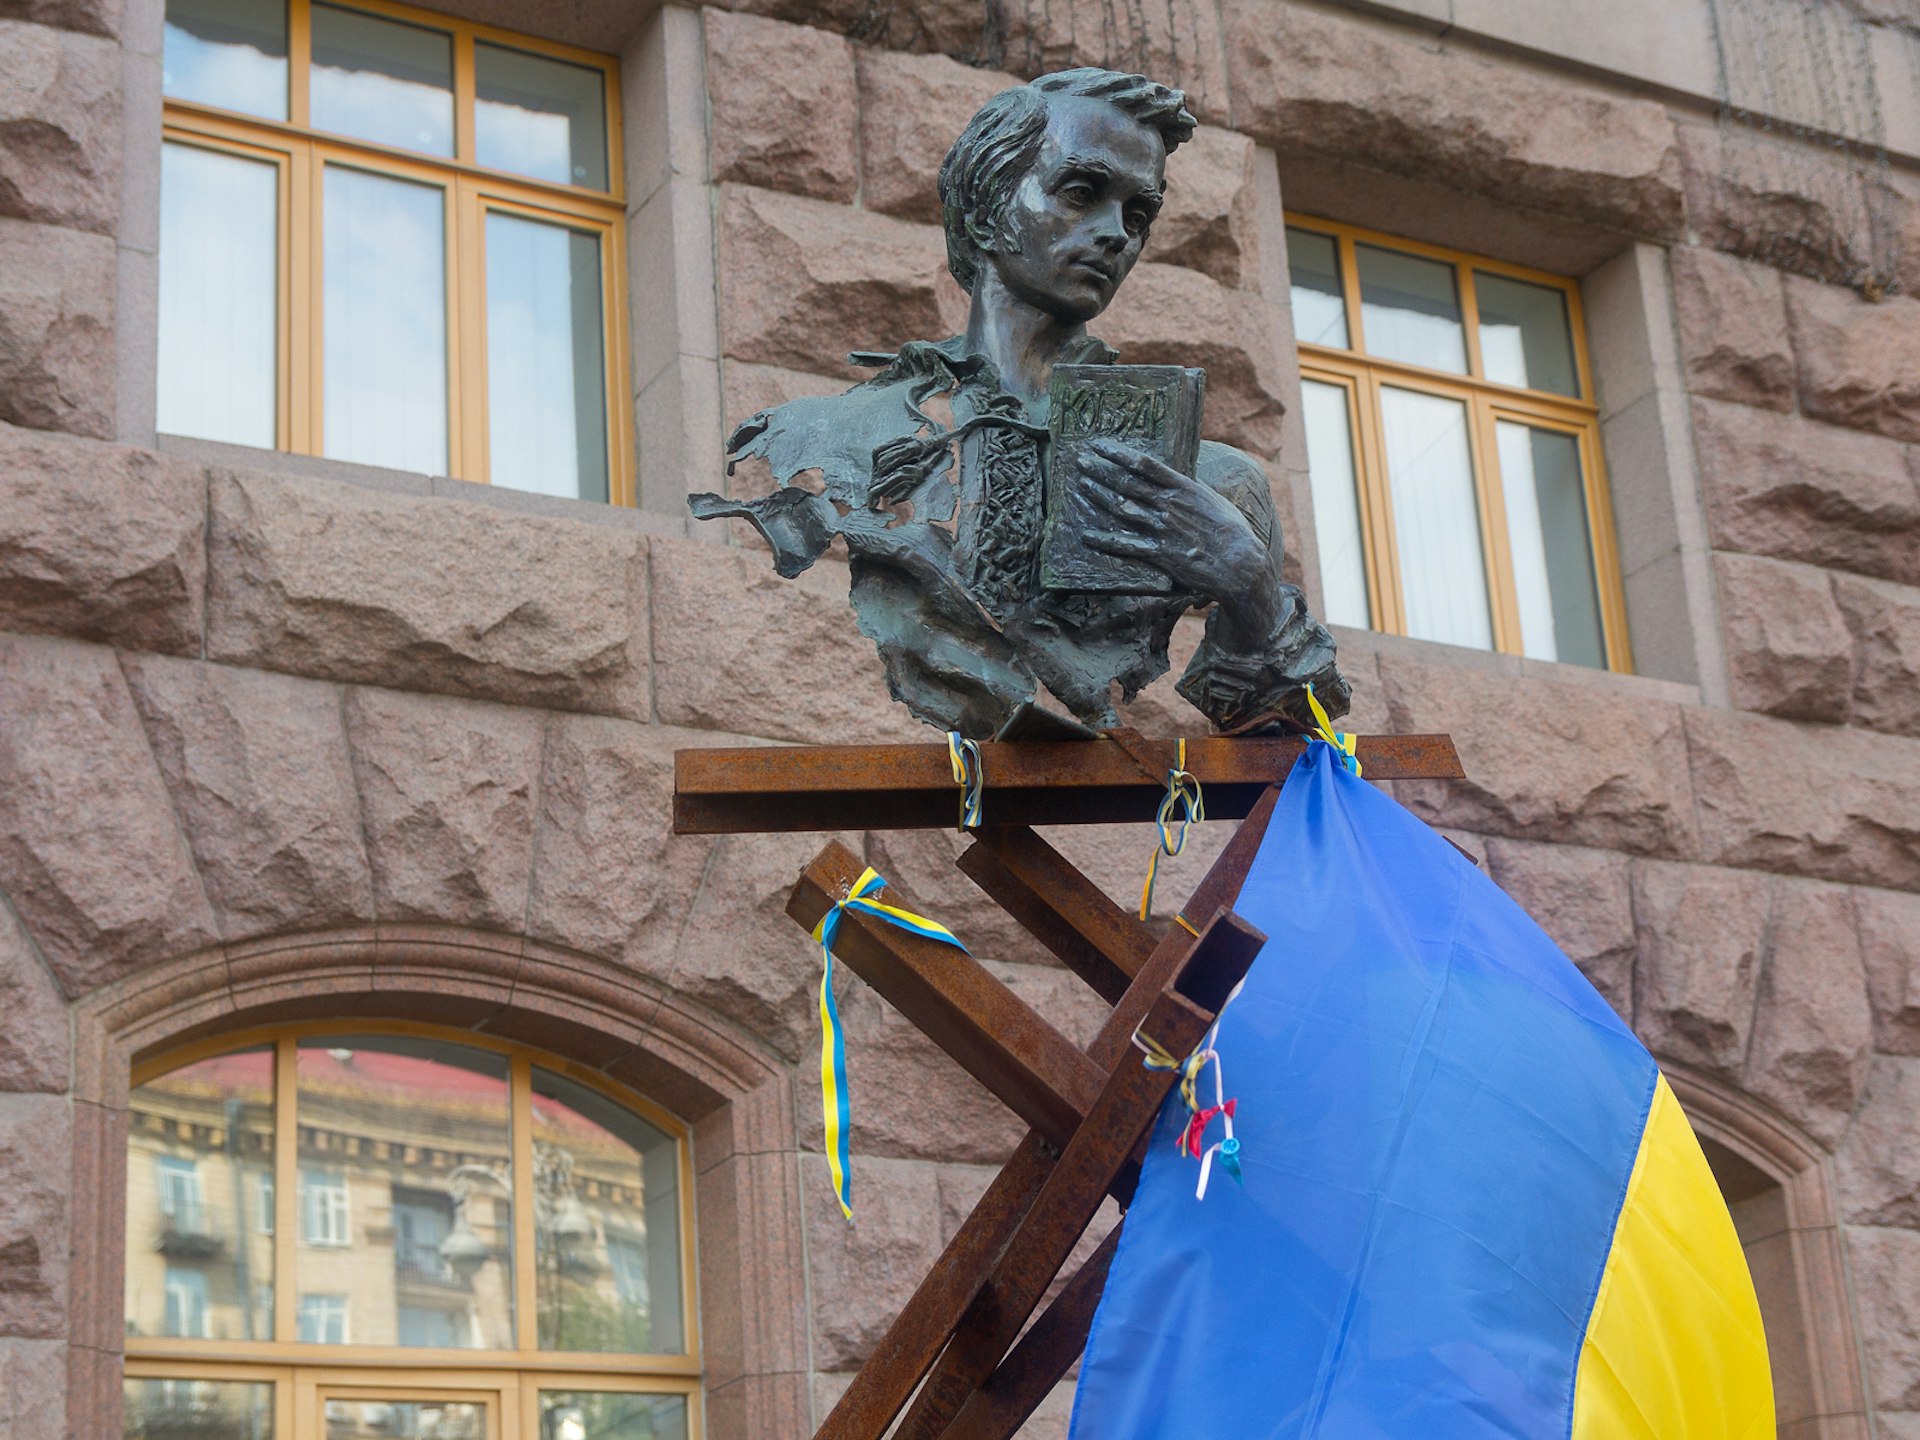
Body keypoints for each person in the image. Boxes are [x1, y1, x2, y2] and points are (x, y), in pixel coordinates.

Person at [692, 67, 1348, 739]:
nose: (1116, 232)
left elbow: (1289, 740)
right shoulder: (835, 438)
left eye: (1137, 213)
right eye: (1081, 191)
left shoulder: (1217, 486)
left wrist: (1250, 587)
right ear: (984, 207)